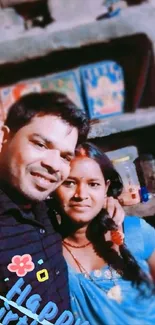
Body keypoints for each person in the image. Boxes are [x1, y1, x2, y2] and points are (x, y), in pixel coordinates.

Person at [0, 91, 90, 324]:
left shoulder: (47, 210)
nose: (53, 164)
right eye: (40, 144)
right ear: (3, 138)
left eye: (64, 156)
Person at [53, 142, 155, 325]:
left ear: (106, 188)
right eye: (69, 183)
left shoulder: (136, 232)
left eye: (93, 184)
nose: (81, 194)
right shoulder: (46, 252)